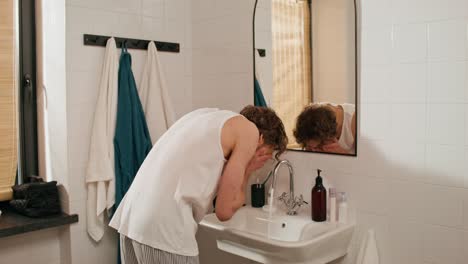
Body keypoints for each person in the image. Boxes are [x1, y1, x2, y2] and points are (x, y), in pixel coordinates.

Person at [109, 106, 288, 264]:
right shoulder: (250, 132)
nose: (263, 162)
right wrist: (247, 168)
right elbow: (224, 211)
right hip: (165, 231)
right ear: (262, 139)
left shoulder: (207, 116)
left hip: (132, 221)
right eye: (267, 155)